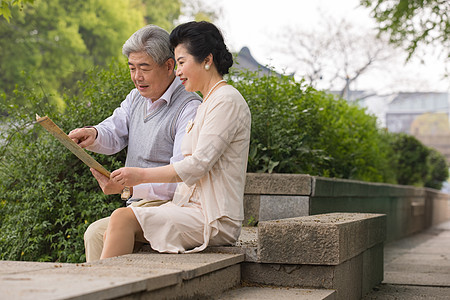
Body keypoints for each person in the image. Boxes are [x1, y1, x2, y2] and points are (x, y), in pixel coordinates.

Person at [98, 21, 251, 259]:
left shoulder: (226, 101)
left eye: (181, 62)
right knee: (106, 231)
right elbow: (113, 130)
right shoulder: (208, 102)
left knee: (120, 218)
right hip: (187, 208)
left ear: (207, 60)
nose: (177, 71)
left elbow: (197, 165)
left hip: (213, 216)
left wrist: (138, 176)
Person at [68, 25, 202, 262]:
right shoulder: (135, 97)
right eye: (132, 68)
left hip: (169, 206)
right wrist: (93, 134)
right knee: (94, 234)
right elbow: (114, 131)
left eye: (144, 68)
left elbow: (181, 177)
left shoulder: (189, 106)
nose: (137, 77)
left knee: (98, 232)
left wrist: (127, 188)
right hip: (137, 205)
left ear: (169, 66)